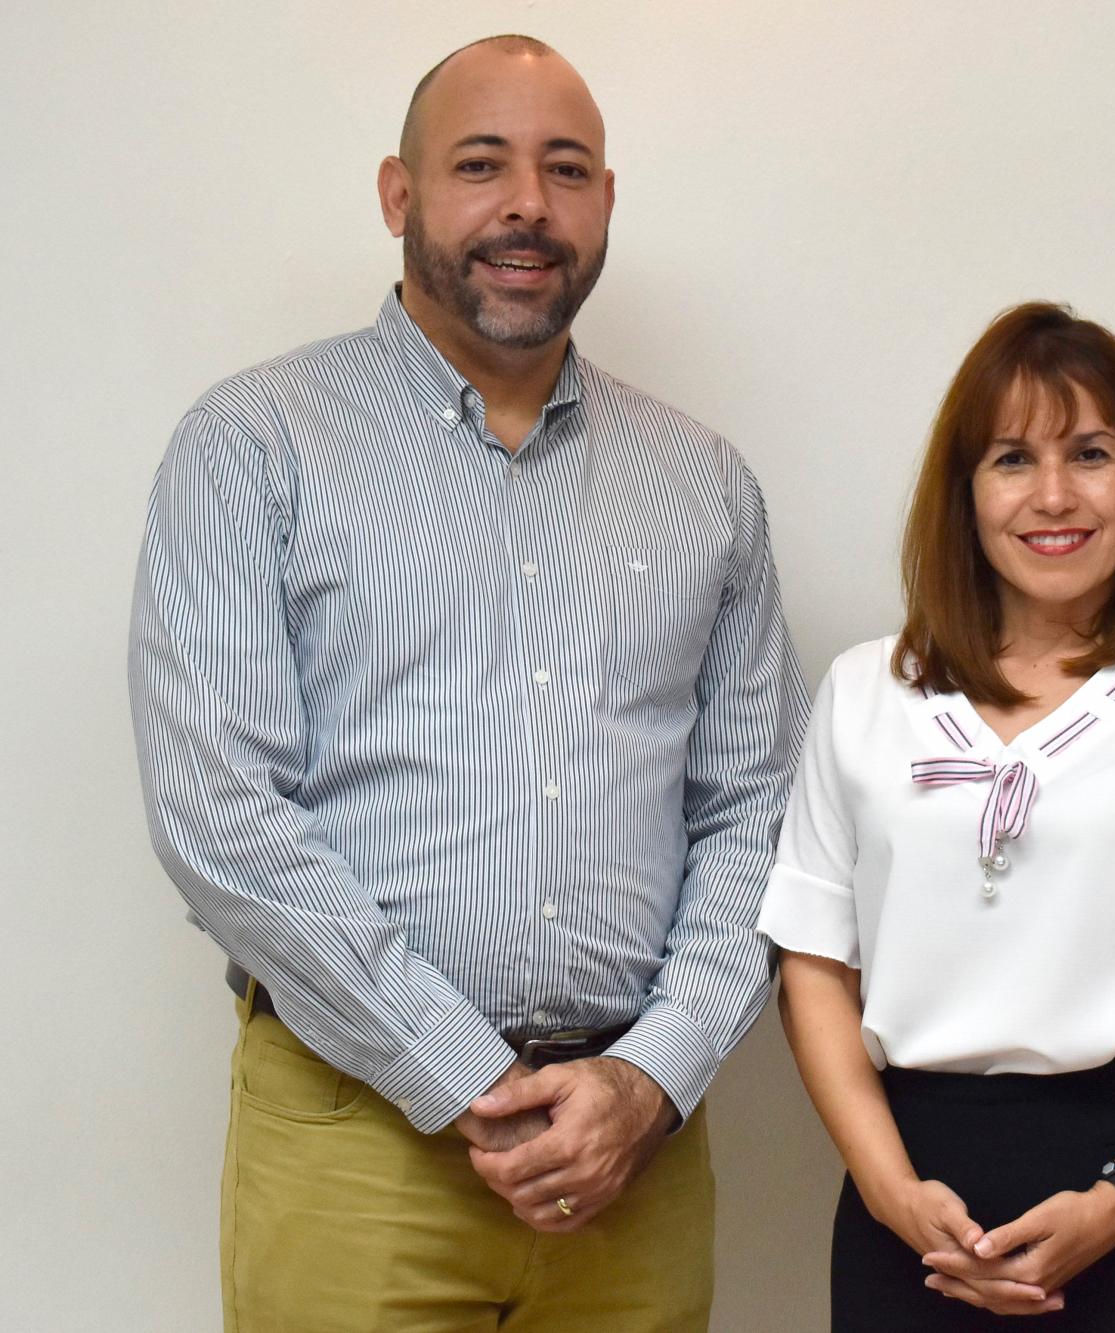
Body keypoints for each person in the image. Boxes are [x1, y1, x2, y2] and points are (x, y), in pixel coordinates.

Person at [128, 34, 805, 1332]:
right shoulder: (253, 446)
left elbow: (756, 815)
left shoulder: (706, 484)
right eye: (480, 165)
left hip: (633, 1158)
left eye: (567, 169)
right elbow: (219, 808)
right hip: (358, 1141)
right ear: (399, 194)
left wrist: (651, 1077)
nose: (527, 207)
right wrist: (459, 1070)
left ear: (608, 199)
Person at [756, 302, 1115, 1331]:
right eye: (1013, 458)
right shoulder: (864, 692)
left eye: (1090, 453)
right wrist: (891, 1192)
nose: (1054, 495)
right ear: (965, 490)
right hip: (911, 1223)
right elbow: (812, 967)